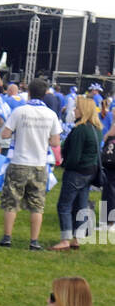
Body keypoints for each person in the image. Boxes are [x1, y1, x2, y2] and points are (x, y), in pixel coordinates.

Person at [0, 77, 61, 250]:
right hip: (39, 163)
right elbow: (55, 142)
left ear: (29, 92)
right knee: (37, 205)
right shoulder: (51, 114)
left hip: (19, 161)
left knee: (11, 201)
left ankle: (7, 237)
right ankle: (34, 241)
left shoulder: (19, 111)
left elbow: (5, 135)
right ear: (45, 94)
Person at [51, 96, 102, 251]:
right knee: (81, 205)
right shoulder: (96, 129)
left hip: (76, 172)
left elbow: (74, 156)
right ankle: (77, 238)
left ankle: (65, 239)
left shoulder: (80, 129)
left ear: (83, 110)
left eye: (77, 108)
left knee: (64, 205)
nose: (74, 110)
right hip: (90, 172)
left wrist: (64, 165)